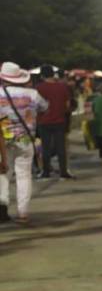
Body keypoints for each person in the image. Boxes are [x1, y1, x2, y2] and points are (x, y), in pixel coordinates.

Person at [0, 62, 48, 225]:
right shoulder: (33, 94)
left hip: (2, 140)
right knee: (24, 175)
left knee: (3, 174)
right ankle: (23, 213)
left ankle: (2, 209)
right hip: (26, 140)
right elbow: (44, 108)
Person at [35, 65, 74, 179]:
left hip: (43, 121)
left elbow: (36, 105)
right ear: (53, 74)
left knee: (45, 147)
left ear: (42, 76)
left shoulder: (38, 88)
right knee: (61, 147)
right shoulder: (63, 87)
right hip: (60, 120)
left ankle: (46, 171)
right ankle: (63, 172)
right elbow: (67, 105)